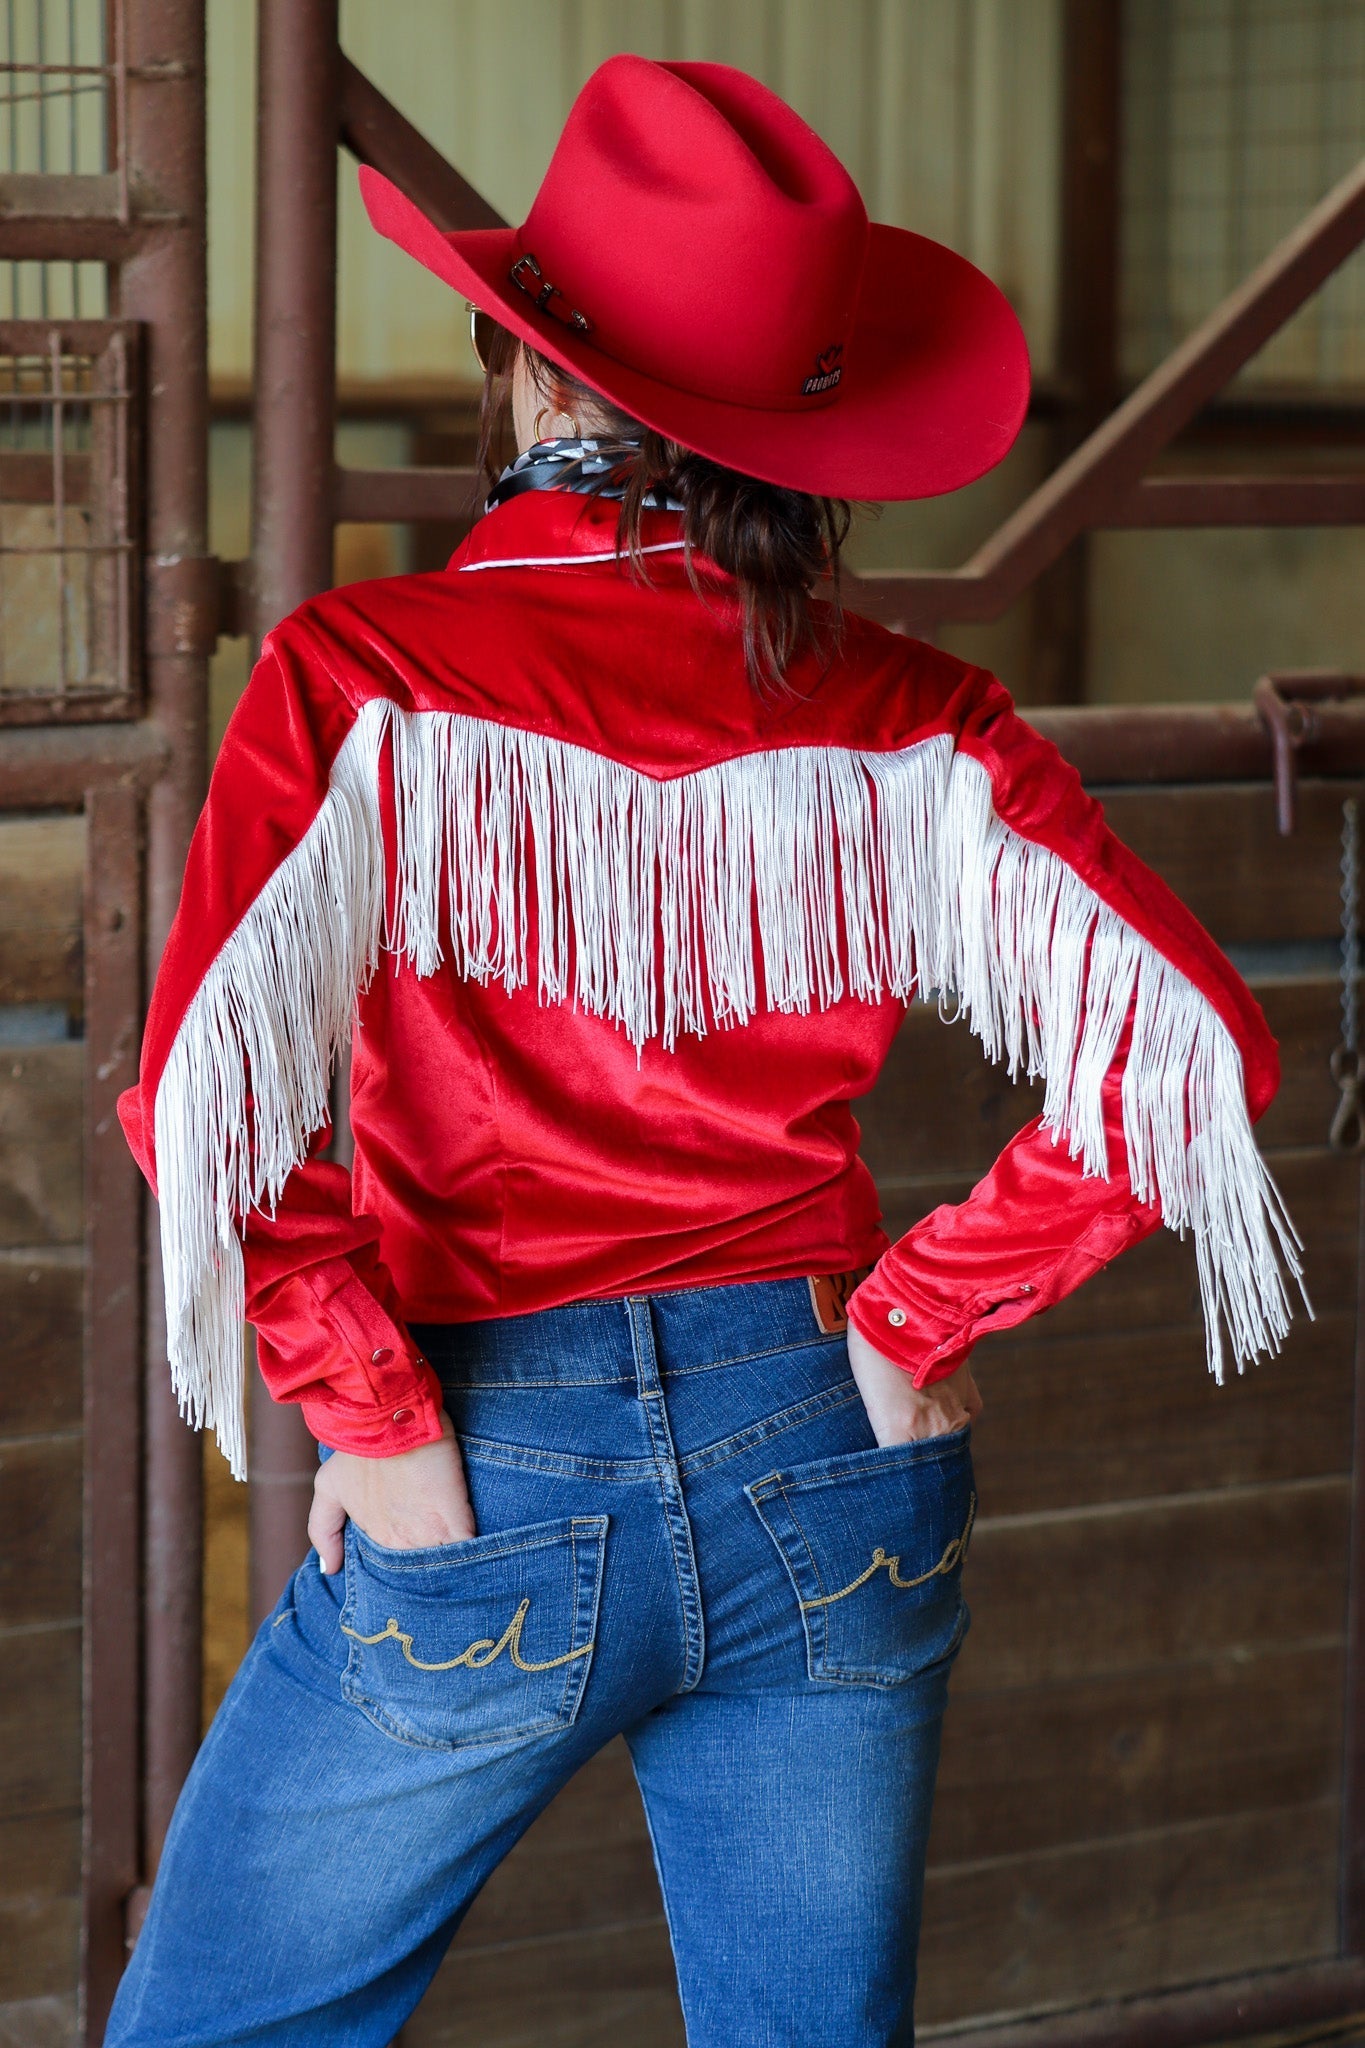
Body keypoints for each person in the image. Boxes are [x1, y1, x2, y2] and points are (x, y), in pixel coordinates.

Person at [106, 52, 1303, 2048]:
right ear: (790, 423)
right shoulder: (914, 714)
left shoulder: (371, 678)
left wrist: (381, 1424)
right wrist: (921, 1315)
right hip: (823, 1434)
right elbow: (1188, 1053)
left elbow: (194, 1099)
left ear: (533, 381)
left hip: (494, 1446)